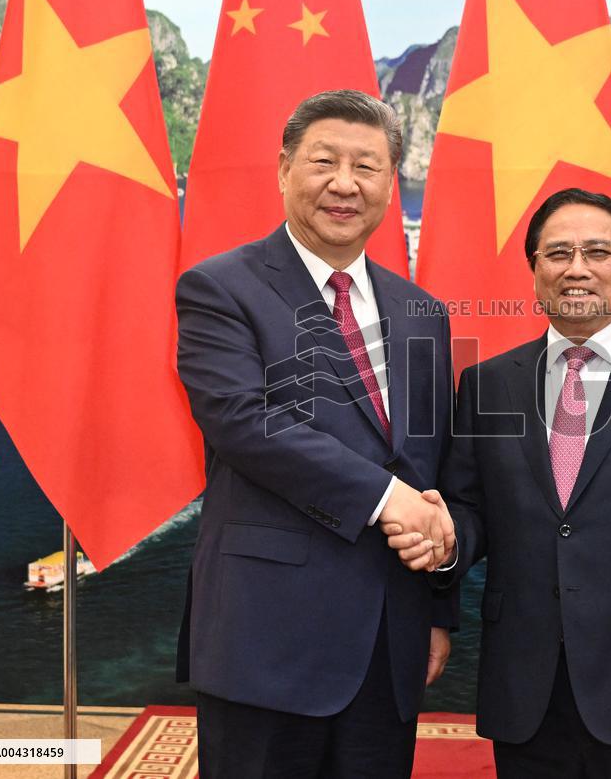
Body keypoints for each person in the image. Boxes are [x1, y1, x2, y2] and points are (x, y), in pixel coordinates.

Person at [389, 188, 611, 777]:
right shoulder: (488, 385)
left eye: (597, 251)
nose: (577, 268)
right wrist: (444, 539)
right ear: (534, 270)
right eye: (557, 253)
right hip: (527, 688)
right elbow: (469, 509)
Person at [175, 89, 456, 779]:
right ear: (283, 169)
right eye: (324, 161)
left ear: (391, 182)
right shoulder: (220, 288)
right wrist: (388, 497)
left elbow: (433, 468)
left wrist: (439, 606)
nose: (344, 183)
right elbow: (246, 422)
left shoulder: (423, 311)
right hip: (265, 641)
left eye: (367, 166)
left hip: (389, 642)